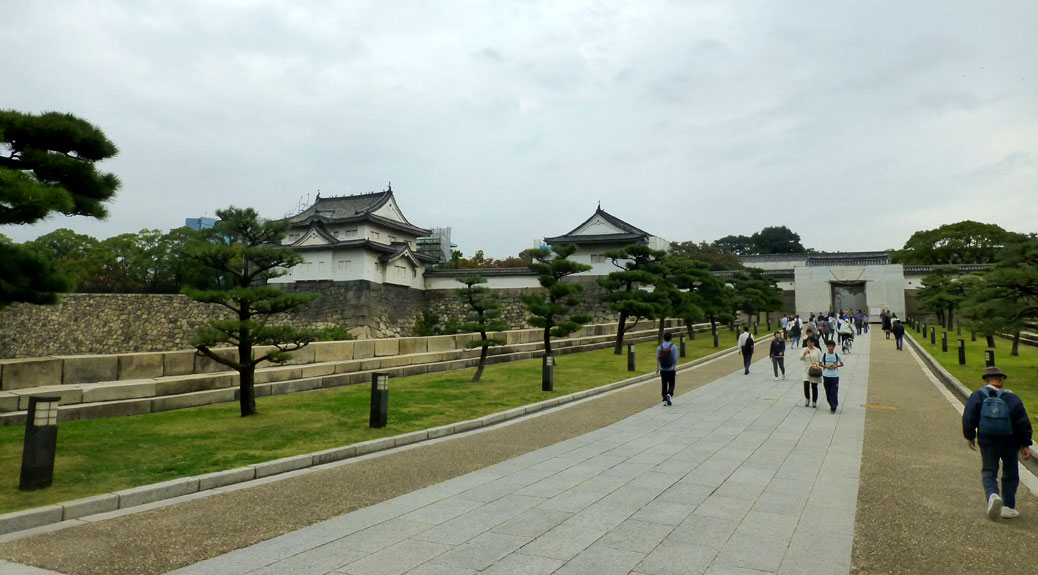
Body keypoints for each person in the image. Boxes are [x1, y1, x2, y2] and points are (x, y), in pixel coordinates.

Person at [962, 366, 1033, 520]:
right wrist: (1025, 444)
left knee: (989, 471)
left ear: (986, 380)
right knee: (1010, 472)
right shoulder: (1012, 398)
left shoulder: (978, 396)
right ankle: (1008, 506)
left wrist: (970, 436)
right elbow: (1023, 422)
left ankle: (993, 495)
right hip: (1010, 440)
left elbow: (968, 418)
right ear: (1001, 380)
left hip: (987, 440)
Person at [820, 340, 844, 414]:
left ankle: (833, 406)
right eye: (829, 346)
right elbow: (820, 363)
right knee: (828, 391)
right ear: (827, 347)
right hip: (826, 375)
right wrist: (826, 366)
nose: (831, 348)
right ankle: (831, 403)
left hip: (834, 375)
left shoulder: (837, 355)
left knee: (834, 391)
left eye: (832, 346)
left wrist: (835, 366)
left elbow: (842, 363)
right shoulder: (824, 355)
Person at [656, 332, 679, 406]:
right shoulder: (674, 347)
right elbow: (675, 359)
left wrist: (657, 368)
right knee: (672, 383)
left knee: (664, 383)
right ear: (671, 338)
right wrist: (675, 366)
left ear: (664, 338)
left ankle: (665, 400)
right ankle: (669, 394)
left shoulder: (660, 347)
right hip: (671, 368)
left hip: (662, 368)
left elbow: (658, 359)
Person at [800, 337, 822, 408]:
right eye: (808, 342)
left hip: (814, 369)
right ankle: (807, 398)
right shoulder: (804, 349)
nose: (809, 344)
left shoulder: (817, 350)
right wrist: (804, 354)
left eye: (811, 342)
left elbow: (820, 360)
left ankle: (814, 401)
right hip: (806, 369)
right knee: (806, 384)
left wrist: (817, 365)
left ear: (814, 343)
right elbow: (801, 358)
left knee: (814, 386)